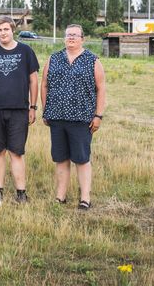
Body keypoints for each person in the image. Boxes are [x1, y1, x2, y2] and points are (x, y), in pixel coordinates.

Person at [41, 24, 106, 210]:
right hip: (57, 116)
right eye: (68, 34)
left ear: (82, 39)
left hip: (82, 118)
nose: (71, 38)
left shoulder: (92, 60)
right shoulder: (54, 59)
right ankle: (60, 196)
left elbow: (101, 89)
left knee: (81, 158)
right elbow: (44, 84)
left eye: (75, 35)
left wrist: (98, 115)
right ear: (64, 38)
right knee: (60, 158)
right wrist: (46, 110)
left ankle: (85, 198)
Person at [0, 15, 39, 203]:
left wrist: (33, 106)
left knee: (16, 152)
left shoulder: (26, 51)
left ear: (12, 30)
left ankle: (21, 193)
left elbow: (33, 80)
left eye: (6, 29)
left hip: (19, 109)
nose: (3, 33)